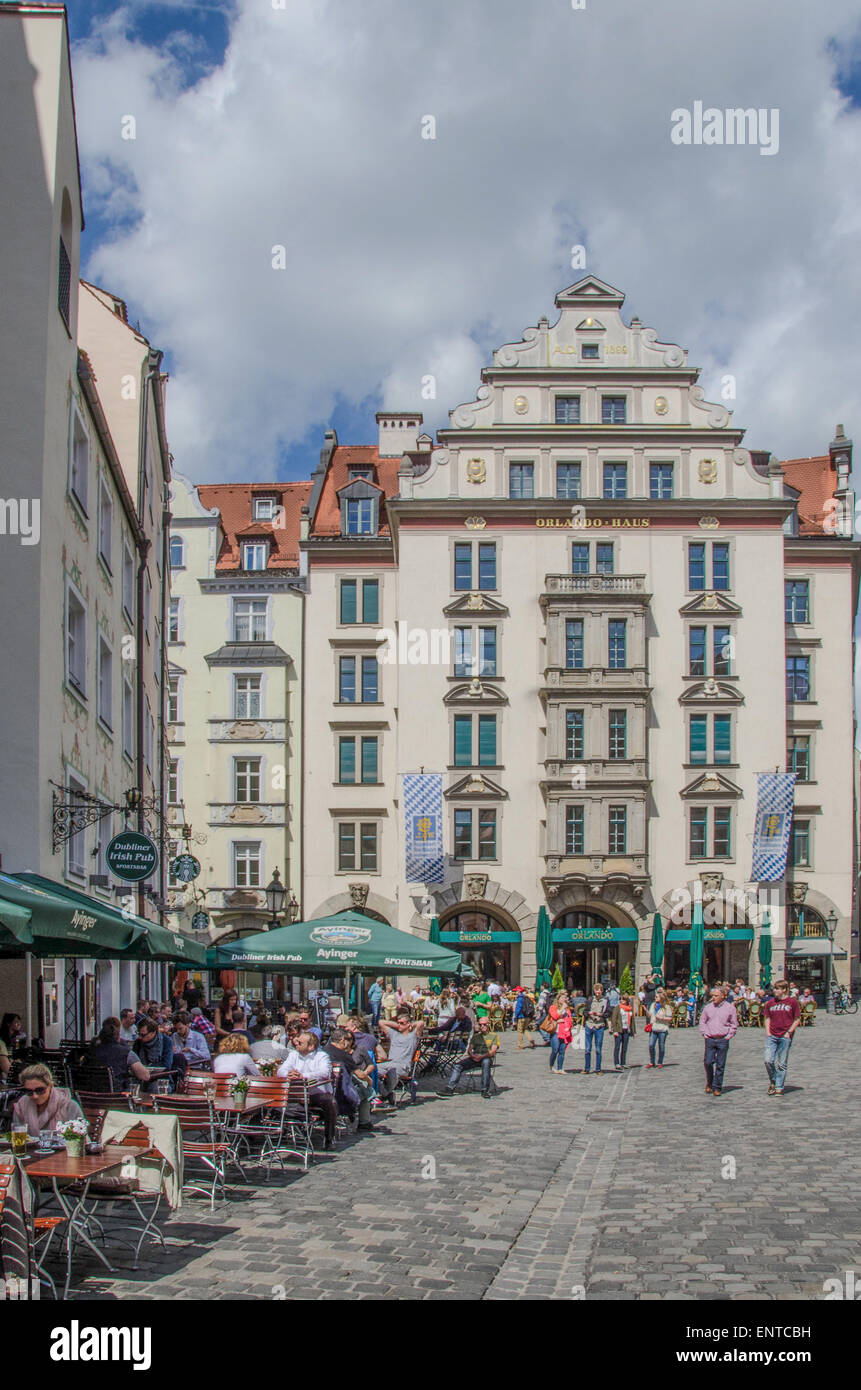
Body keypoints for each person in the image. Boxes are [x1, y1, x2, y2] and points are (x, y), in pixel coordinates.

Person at [276, 1031, 338, 1148]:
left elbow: (324, 1073)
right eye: (297, 1042)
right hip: (296, 1093)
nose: (296, 1044)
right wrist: (289, 1073)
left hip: (316, 1093)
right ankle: (282, 1133)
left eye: (300, 1043)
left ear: (311, 1046)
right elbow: (281, 1071)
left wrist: (302, 1075)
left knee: (331, 1102)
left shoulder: (321, 1056)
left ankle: (329, 1138)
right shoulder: (293, 1055)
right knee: (277, 1102)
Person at [13, 1062, 85, 1138]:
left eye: (40, 1090)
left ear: (51, 1086)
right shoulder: (21, 1106)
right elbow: (18, 1138)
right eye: (29, 1091)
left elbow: (80, 1141)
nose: (35, 1096)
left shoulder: (70, 1107)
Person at [325, 1027, 374, 1130]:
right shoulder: (343, 1055)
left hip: (325, 1091)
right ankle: (364, 1123)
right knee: (367, 1091)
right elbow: (360, 1074)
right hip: (340, 1094)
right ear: (342, 1040)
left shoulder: (324, 1050)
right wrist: (370, 1081)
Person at [443, 1017, 499, 1098]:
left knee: (486, 1063)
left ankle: (485, 1090)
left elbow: (493, 1051)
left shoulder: (494, 1036)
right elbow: (469, 1050)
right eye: (480, 1025)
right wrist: (473, 1055)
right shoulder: (476, 1036)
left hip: (486, 1057)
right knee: (458, 1065)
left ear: (488, 1024)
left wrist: (481, 1056)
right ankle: (450, 1088)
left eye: (484, 1024)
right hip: (475, 1057)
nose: (482, 1026)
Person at [763, 979, 801, 1096]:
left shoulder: (792, 1002)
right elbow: (767, 1018)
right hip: (772, 1035)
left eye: (777, 989)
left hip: (785, 1035)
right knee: (768, 1060)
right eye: (774, 988)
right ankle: (774, 1080)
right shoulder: (770, 1003)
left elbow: (797, 1018)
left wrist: (789, 1032)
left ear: (784, 990)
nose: (774, 991)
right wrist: (768, 1032)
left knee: (781, 1063)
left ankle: (779, 1087)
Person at [698, 986, 738, 1097]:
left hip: (722, 1039)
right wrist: (704, 1033)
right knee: (708, 1062)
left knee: (720, 1065)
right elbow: (703, 1021)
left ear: (723, 996)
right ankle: (709, 1082)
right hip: (710, 1038)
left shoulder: (730, 1008)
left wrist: (728, 1036)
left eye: (716, 996)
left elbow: (734, 1024)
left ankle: (717, 1087)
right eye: (713, 995)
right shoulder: (708, 1007)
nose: (713, 997)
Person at [89, 1018, 151, 1089]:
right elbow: (145, 1076)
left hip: (89, 1094)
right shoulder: (126, 1052)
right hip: (117, 1095)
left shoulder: (92, 1051)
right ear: (118, 1036)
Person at [376, 1009, 424, 1100]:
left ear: (408, 1024)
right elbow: (381, 1022)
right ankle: (385, 1093)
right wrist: (399, 1025)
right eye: (398, 1023)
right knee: (372, 1070)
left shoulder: (413, 1036)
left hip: (402, 1066)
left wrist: (409, 1025)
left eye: (401, 1023)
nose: (399, 1025)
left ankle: (386, 1094)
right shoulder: (394, 1034)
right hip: (389, 1063)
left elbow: (421, 1023)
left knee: (392, 1072)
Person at [130, 1016, 185, 1093]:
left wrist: (149, 1067)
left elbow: (166, 1065)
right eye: (139, 1033)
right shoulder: (138, 1043)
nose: (140, 1037)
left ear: (153, 1032)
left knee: (156, 1088)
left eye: (143, 1035)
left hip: (160, 1078)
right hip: (140, 1077)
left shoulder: (166, 1041)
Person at [583, 983, 611, 1075]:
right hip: (589, 1025)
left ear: (602, 991)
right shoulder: (590, 1000)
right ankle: (587, 1068)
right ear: (594, 991)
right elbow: (584, 1012)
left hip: (599, 1025)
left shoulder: (605, 1001)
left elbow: (608, 1013)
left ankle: (598, 1069)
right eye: (596, 990)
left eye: (599, 990)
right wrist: (589, 1013)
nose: (598, 992)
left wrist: (601, 1015)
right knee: (587, 1049)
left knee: (598, 1049)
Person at [547, 991, 573, 1073]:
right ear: (558, 999)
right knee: (555, 1049)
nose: (564, 999)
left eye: (565, 998)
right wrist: (562, 1009)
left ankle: (560, 1068)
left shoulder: (567, 1009)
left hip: (565, 1032)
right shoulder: (553, 1007)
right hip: (556, 1031)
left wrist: (568, 1025)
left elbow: (570, 1019)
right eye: (562, 998)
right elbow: (555, 1016)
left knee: (562, 1051)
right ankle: (551, 1065)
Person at [646, 988, 673, 1068]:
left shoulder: (667, 1007)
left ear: (661, 997)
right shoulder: (653, 1005)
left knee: (661, 1046)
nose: (655, 998)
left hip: (662, 1028)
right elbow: (650, 1015)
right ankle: (652, 1061)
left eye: (657, 997)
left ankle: (660, 1062)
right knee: (651, 1045)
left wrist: (661, 1018)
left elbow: (670, 1018)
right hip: (654, 1028)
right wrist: (647, 1012)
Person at [610, 993, 636, 1070]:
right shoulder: (618, 1008)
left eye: (623, 999)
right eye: (620, 999)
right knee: (617, 1047)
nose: (622, 1001)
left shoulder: (629, 1008)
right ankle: (617, 1063)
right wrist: (614, 1030)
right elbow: (614, 1019)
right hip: (619, 1029)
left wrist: (634, 1031)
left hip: (626, 1030)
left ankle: (623, 1062)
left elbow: (632, 1021)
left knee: (624, 1047)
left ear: (627, 1000)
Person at [0, 1013, 22, 1078]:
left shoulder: (17, 1038)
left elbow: (16, 1051)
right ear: (8, 1023)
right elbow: (6, 1067)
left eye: (19, 1022)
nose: (19, 1024)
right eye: (16, 1022)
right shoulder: (1, 1041)